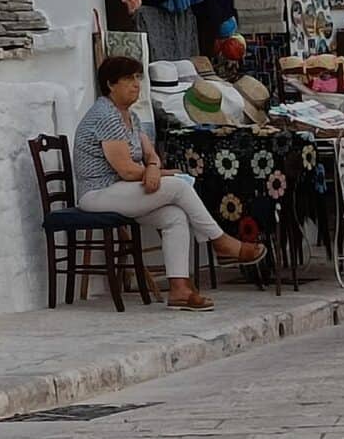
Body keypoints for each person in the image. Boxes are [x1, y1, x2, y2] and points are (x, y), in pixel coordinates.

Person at [71, 52, 264, 310]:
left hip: (124, 190)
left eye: (138, 78)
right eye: (128, 79)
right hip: (99, 192)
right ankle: (220, 241)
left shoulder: (131, 117)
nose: (136, 84)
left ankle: (180, 290)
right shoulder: (105, 115)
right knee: (178, 185)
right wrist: (157, 173)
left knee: (174, 215)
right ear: (110, 84)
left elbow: (150, 154)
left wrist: (152, 167)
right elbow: (127, 170)